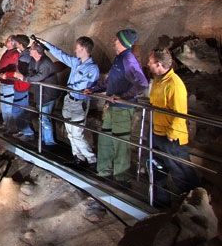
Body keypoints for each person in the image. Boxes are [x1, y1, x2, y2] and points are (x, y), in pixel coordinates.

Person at [85, 29, 148, 183]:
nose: (114, 41)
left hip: (123, 109)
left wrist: (124, 97)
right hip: (112, 107)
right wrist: (93, 89)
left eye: (116, 39)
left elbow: (142, 83)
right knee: (105, 139)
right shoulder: (119, 58)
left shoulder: (128, 59)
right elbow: (109, 81)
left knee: (121, 143)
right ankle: (103, 171)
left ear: (123, 42)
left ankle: (121, 177)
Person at [147, 48, 200, 206]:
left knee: (181, 173)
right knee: (157, 169)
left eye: (150, 62)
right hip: (157, 132)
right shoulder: (158, 80)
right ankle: (161, 202)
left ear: (158, 64)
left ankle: (195, 206)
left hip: (172, 138)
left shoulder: (174, 84)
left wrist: (171, 134)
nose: (147, 64)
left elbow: (180, 112)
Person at [38, 36, 100, 164]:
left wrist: (68, 87)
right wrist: (45, 44)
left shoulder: (92, 68)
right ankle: (78, 157)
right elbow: (61, 55)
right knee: (70, 133)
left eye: (77, 48)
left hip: (79, 103)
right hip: (69, 100)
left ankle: (91, 159)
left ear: (83, 49)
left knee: (77, 133)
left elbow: (83, 85)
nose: (75, 50)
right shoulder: (76, 62)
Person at [18, 41, 60, 145]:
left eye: (31, 49)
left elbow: (39, 77)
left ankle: (49, 142)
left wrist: (25, 78)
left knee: (45, 117)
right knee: (42, 116)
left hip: (48, 94)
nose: (29, 50)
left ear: (37, 52)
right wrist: (29, 77)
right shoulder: (33, 59)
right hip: (40, 92)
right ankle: (43, 139)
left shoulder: (46, 63)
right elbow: (31, 71)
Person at [0, 35, 21, 134]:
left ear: (13, 43)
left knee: (9, 106)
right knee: (4, 105)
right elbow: (1, 63)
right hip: (3, 83)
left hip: (10, 84)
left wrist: (5, 74)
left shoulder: (15, 54)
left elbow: (16, 69)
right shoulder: (7, 52)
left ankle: (12, 127)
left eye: (8, 40)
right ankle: (6, 124)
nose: (6, 41)